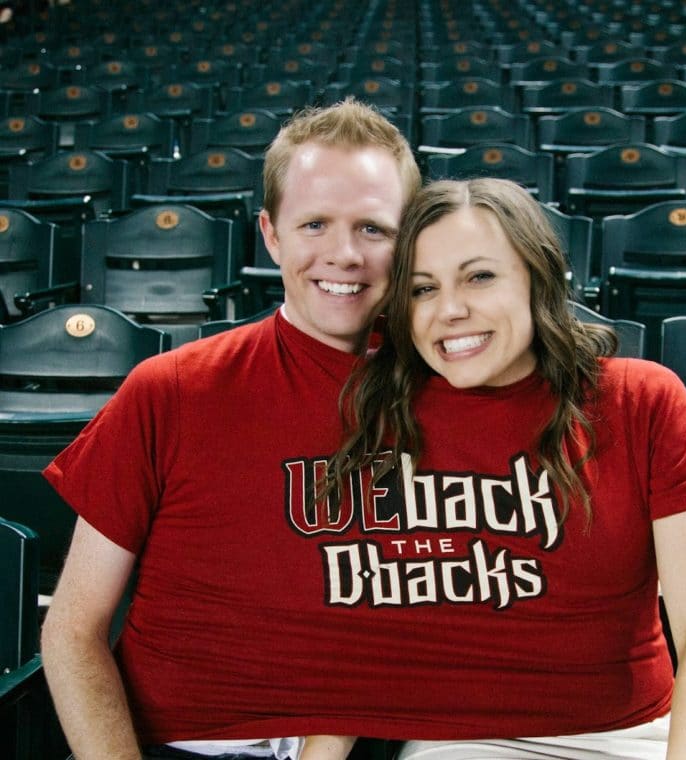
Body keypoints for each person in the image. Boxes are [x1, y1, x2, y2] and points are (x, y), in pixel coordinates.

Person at [39, 98, 421, 760]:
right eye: (314, 224)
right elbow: (72, 629)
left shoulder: (440, 404)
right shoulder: (169, 390)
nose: (343, 254)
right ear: (270, 235)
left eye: (374, 229)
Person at [320, 177, 686, 759]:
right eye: (423, 289)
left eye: (479, 276)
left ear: (536, 278)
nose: (450, 310)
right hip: (459, 741)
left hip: (627, 736)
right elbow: (353, 641)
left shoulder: (642, 401)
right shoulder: (379, 410)